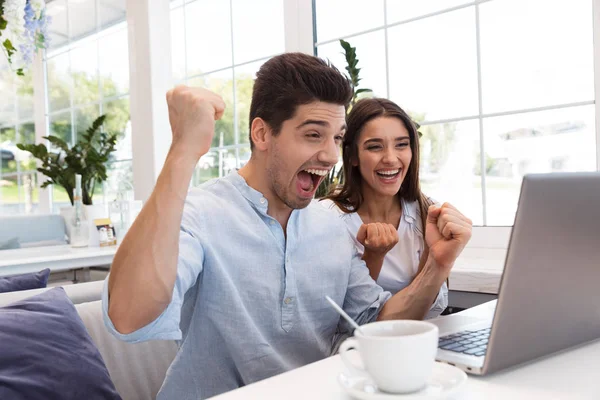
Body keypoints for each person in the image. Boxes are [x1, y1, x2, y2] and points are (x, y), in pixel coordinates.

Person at [104, 53, 472, 400]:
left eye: (337, 137)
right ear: (262, 134)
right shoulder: (199, 212)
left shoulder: (332, 224)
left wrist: (438, 264)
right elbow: (129, 316)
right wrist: (183, 150)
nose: (330, 155)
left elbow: (376, 323)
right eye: (313, 134)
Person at [323, 98, 472, 319]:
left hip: (425, 339)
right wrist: (373, 257)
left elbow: (431, 309)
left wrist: (435, 255)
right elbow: (345, 318)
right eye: (374, 146)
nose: (391, 159)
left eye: (402, 144)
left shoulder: (427, 212)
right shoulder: (326, 219)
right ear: (352, 156)